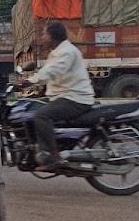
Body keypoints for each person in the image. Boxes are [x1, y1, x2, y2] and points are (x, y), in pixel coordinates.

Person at [22, 21, 95, 170]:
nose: (42, 38)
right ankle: (37, 149)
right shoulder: (58, 52)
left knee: (41, 116)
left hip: (75, 99)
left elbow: (52, 71)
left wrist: (30, 81)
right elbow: (49, 71)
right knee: (29, 110)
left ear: (53, 37)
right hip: (64, 96)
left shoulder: (67, 52)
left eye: (45, 34)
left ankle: (53, 156)